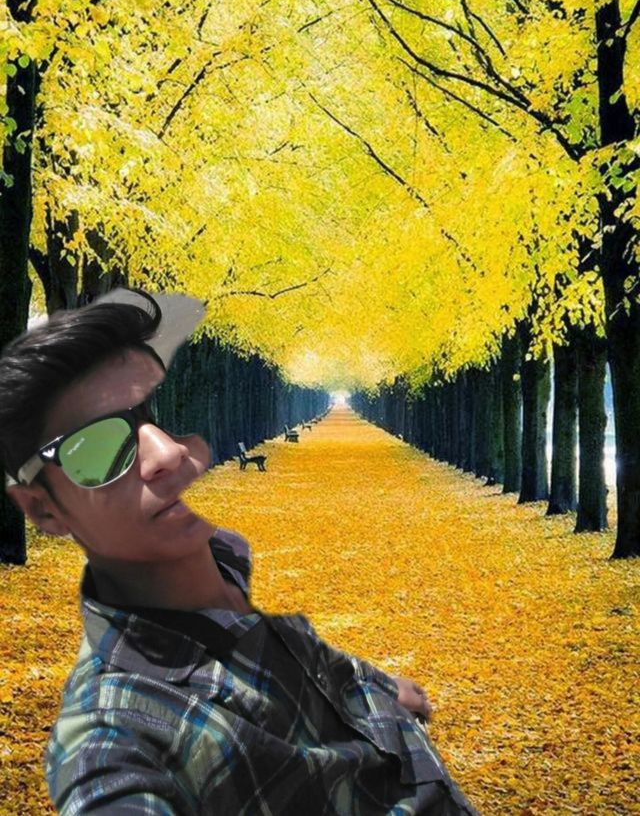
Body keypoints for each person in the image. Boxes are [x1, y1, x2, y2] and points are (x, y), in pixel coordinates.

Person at [1, 288, 479, 815]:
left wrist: (376, 687)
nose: (166, 452)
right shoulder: (114, 741)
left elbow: (295, 656)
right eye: (96, 447)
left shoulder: (219, 581)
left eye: (148, 413)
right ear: (42, 509)